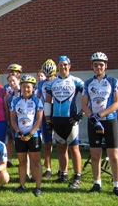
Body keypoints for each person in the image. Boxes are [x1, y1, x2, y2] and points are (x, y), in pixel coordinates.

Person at [81, 52, 118, 198]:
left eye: (101, 64)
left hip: (109, 120)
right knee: (95, 155)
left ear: (105, 66)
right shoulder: (88, 83)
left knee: (113, 155)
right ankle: (97, 183)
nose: (98, 67)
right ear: (92, 66)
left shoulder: (113, 82)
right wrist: (92, 118)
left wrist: (100, 115)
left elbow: (117, 103)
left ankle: (116, 186)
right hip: (93, 122)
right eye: (95, 65)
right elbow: (84, 105)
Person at [44, 56, 84, 189]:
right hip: (57, 120)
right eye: (60, 65)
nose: (63, 67)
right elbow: (47, 102)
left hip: (71, 120)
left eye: (65, 64)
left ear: (69, 66)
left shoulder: (77, 81)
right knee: (61, 148)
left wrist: (81, 114)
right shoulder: (52, 83)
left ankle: (78, 176)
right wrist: (48, 120)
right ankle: (63, 174)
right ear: (57, 66)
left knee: (74, 148)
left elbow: (87, 97)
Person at [11, 75, 43, 197]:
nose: (26, 89)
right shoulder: (15, 101)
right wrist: (18, 132)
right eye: (23, 87)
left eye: (28, 87)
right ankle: (22, 185)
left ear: (33, 88)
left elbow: (39, 120)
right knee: (22, 162)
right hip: (19, 135)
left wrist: (30, 133)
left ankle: (38, 187)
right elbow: (13, 119)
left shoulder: (37, 101)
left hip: (33, 135)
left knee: (36, 162)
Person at [36, 59, 57, 178]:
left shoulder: (59, 81)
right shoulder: (41, 84)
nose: (48, 77)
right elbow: (38, 97)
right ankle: (48, 167)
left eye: (51, 75)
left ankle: (62, 169)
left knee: (61, 143)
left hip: (58, 113)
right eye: (47, 75)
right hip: (45, 114)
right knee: (47, 142)